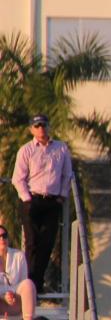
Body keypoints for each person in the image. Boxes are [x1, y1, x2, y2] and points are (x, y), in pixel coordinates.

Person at [10, 113, 74, 291]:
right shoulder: (26, 150)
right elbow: (18, 178)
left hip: (52, 201)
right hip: (32, 199)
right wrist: (27, 199)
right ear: (32, 129)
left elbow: (67, 174)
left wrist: (61, 196)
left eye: (43, 125)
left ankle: (37, 282)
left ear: (49, 126)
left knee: (47, 242)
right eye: (37, 126)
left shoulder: (61, 148)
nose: (41, 129)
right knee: (31, 242)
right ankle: (29, 281)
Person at [0, 222, 37, 320]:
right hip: (1, 302)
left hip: (15, 302)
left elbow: (22, 281)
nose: (2, 239)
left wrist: (12, 293)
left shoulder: (18, 256)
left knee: (28, 284)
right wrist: (4, 295)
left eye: (4, 236)